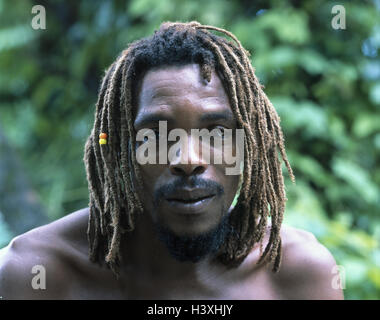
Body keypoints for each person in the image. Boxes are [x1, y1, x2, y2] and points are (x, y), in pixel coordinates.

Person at [0, 21, 343, 299]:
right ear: (122, 149)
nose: (188, 159)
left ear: (250, 144)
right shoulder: (34, 274)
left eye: (217, 132)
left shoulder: (300, 275)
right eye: (156, 135)